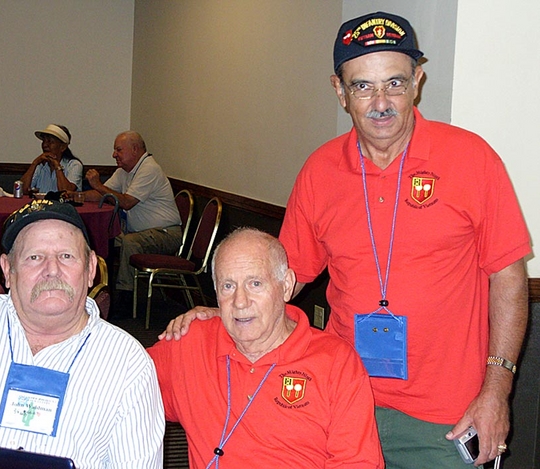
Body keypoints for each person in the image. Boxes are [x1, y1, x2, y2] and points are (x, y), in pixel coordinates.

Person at [162, 11, 531, 468]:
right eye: (362, 86)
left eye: (394, 83)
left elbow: (508, 276)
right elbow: (284, 276)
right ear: (339, 91)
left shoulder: (471, 160)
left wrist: (497, 389)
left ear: (417, 80)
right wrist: (228, 309)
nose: (381, 102)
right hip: (338, 398)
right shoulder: (320, 171)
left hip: (446, 415)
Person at [0, 200, 164, 468]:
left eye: (66, 256)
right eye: (34, 257)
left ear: (91, 267)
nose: (52, 270)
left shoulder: (128, 364)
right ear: (8, 270)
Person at [149, 228, 383, 468]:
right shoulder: (191, 342)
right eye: (228, 286)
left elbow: (357, 462)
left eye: (255, 283)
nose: (240, 301)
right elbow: (124, 383)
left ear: (286, 285)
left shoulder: (336, 362)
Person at [80, 131, 182, 315]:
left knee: (129, 242)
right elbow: (102, 194)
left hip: (166, 234)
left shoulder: (149, 169)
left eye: (118, 149)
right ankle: (96, 290)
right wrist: (77, 196)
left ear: (135, 150)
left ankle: (125, 297)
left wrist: (97, 185)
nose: (114, 155)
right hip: (140, 232)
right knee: (104, 237)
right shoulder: (124, 172)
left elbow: (126, 202)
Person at [20, 124, 83, 194]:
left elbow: (66, 192)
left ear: (63, 147)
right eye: (44, 141)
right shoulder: (40, 165)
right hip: (41, 204)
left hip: (64, 205)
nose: (45, 145)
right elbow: (22, 190)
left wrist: (57, 166)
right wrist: (34, 163)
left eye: (50, 142)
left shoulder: (74, 165)